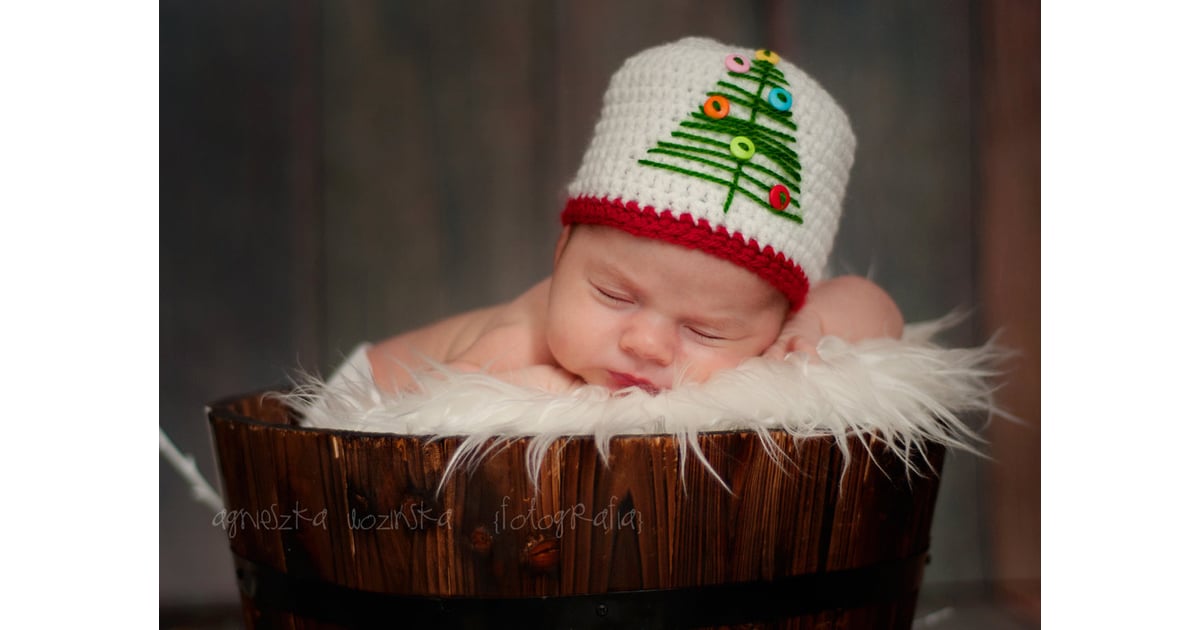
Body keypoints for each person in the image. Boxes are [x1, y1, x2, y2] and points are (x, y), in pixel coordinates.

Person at [352, 37, 902, 395]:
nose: (647, 344)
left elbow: (876, 308)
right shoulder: (528, 333)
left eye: (705, 330)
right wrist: (563, 394)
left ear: (774, 320)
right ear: (562, 251)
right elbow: (441, 413)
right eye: (615, 296)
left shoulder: (778, 328)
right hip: (342, 414)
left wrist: (809, 329)